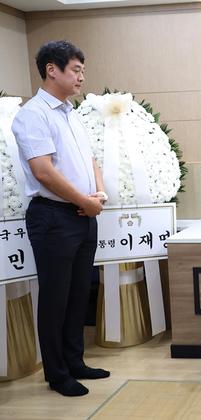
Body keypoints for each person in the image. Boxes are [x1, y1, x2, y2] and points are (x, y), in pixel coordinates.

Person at [12, 40, 110, 397]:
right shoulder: (33, 114)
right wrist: (83, 200)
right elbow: (43, 172)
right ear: (51, 70)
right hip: (53, 217)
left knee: (78, 293)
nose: (82, 77)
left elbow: (90, 160)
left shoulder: (71, 112)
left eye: (83, 70)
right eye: (76, 70)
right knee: (55, 298)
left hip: (83, 213)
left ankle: (75, 361)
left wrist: (98, 194)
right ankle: (57, 374)